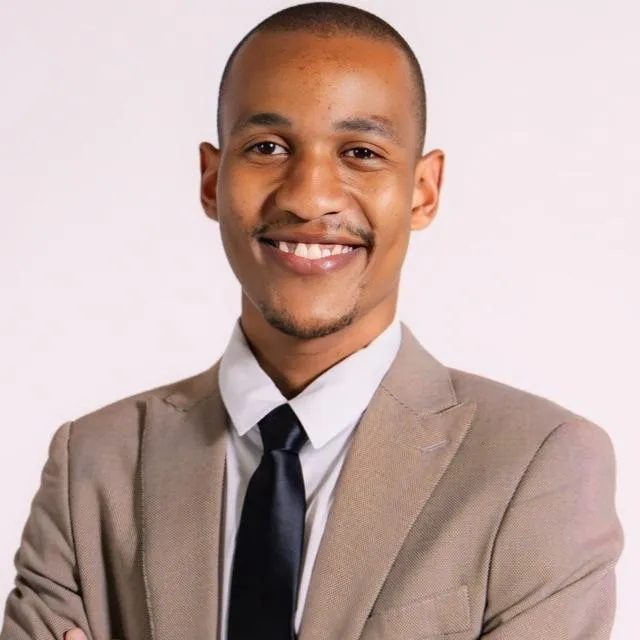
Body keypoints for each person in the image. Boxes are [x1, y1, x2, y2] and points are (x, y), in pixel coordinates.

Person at [0, 3, 623, 640]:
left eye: (361, 152)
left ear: (423, 190)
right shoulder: (92, 464)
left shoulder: (538, 465)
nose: (308, 196)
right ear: (212, 180)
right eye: (267, 148)